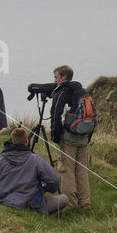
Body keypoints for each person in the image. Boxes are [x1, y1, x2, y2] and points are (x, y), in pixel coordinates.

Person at [0, 128, 69, 215]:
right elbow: (55, 181)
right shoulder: (36, 159)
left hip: (0, 200)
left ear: (12, 141)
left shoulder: (0, 159)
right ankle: (42, 213)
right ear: (26, 141)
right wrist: (44, 189)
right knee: (64, 199)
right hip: (28, 205)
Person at [38, 65, 91, 210]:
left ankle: (69, 203)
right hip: (83, 137)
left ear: (64, 77)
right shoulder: (82, 91)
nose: (54, 80)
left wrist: (55, 136)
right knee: (81, 171)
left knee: (66, 170)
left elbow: (56, 116)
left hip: (68, 138)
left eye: (56, 77)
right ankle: (85, 203)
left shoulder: (62, 93)